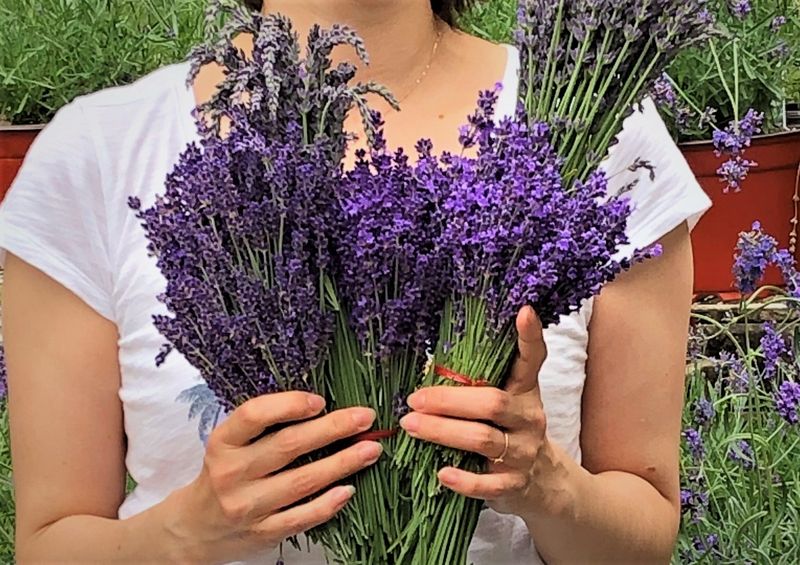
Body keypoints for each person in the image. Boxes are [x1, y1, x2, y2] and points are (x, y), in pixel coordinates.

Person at [0, 1, 711, 563]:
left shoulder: (601, 133)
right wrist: (191, 528)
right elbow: (50, 544)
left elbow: (642, 538)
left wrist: (546, 482)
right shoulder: (99, 153)